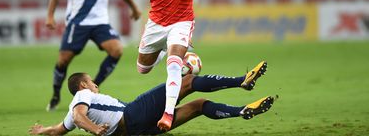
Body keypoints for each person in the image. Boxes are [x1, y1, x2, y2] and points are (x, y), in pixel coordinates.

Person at [95, 0, 268, 130]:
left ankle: (167, 113)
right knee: (143, 68)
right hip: (156, 24)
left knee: (174, 65)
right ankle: (165, 50)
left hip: (182, 22)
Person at [29, 61, 274, 136]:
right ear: (83, 84)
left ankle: (241, 111)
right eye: (92, 81)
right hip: (133, 115)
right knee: (186, 82)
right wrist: (95, 130)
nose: (95, 84)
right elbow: (77, 116)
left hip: (139, 130)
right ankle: (241, 80)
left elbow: (59, 129)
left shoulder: (79, 104)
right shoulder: (83, 96)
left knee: (198, 106)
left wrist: (42, 131)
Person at [45, 0, 141, 111]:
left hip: (100, 23)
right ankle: (56, 94)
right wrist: (50, 16)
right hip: (77, 23)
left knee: (117, 50)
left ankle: (94, 85)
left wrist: (134, 8)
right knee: (63, 61)